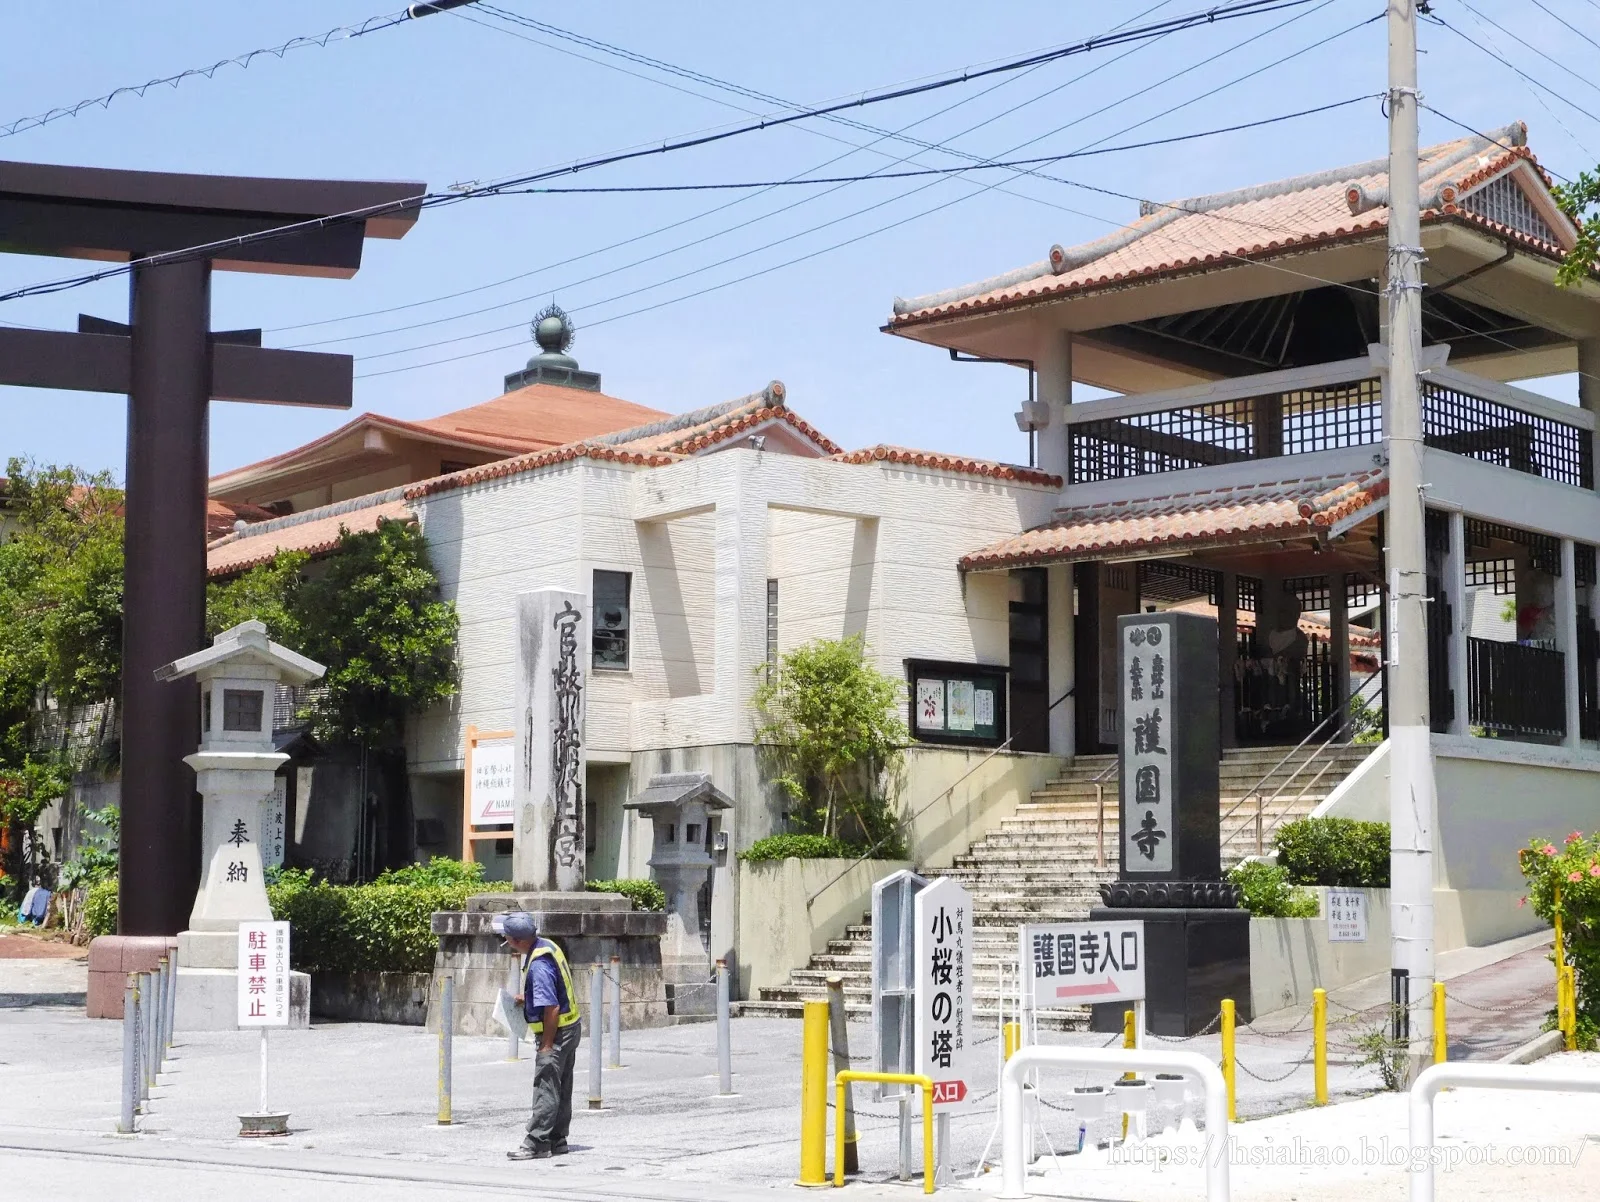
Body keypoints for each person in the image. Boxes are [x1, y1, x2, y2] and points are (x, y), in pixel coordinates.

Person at [501, 912, 582, 1160]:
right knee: (562, 1085)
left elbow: (552, 1008)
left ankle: (535, 1141)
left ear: (517, 940)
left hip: (557, 1033)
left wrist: (546, 1045)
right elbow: (553, 992)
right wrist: (529, 998)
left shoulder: (538, 965)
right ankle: (558, 1139)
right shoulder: (547, 946)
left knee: (546, 1086)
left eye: (508, 939)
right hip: (571, 1028)